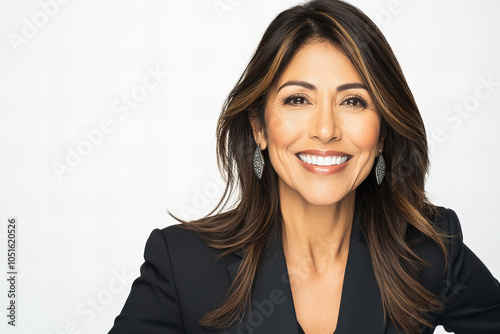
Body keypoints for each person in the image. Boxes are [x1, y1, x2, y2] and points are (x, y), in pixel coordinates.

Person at [108, 0, 500, 333]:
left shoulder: (429, 251)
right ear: (259, 127)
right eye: (298, 100)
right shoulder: (182, 263)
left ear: (382, 134)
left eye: (354, 102)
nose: (326, 130)